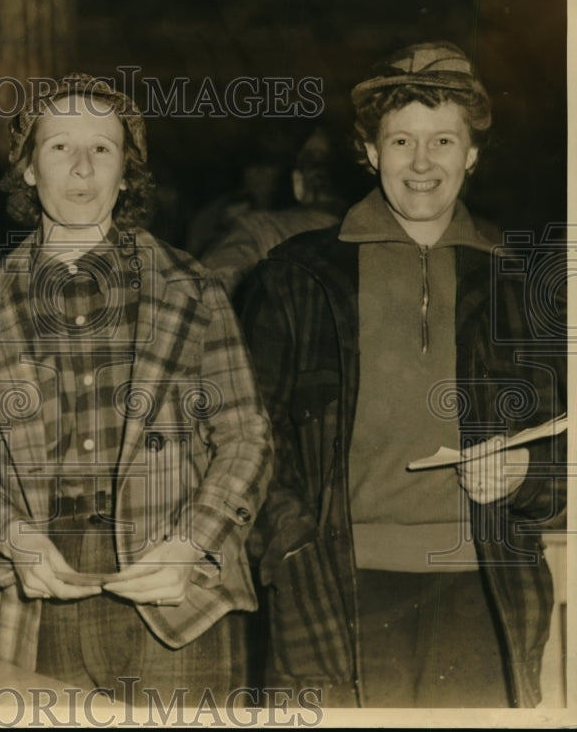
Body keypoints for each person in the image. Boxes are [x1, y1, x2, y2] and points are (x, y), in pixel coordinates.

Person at [0, 73, 273, 705]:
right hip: (37, 595)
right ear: (28, 169)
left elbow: (247, 438)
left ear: (126, 172)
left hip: (175, 597)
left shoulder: (192, 289)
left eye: (102, 149)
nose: (82, 168)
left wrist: (195, 543)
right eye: (60, 147)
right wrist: (8, 537)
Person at [239, 41, 566, 707]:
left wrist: (524, 474)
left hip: (483, 594)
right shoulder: (298, 275)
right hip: (335, 588)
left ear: (471, 153)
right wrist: (292, 551)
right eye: (401, 141)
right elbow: (247, 436)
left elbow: (559, 452)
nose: (422, 163)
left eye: (443, 140)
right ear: (368, 151)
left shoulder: (517, 278)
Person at [201, 125, 348, 302]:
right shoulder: (377, 237)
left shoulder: (256, 230)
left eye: (268, 165)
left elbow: (209, 293)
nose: (261, 175)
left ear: (298, 183)